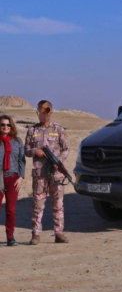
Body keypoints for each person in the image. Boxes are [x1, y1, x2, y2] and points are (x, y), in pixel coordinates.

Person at [25, 100, 70, 245]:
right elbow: (26, 150)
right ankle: (36, 234)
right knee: (38, 205)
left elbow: (66, 149)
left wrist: (59, 161)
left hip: (56, 174)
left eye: (44, 110)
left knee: (58, 204)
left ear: (50, 112)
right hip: (40, 174)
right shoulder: (32, 131)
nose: (41, 113)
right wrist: (35, 151)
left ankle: (59, 233)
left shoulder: (58, 129)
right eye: (39, 110)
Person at [0, 115, 25, 246]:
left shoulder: (17, 141)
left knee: (10, 209)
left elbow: (22, 160)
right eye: (3, 124)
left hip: (13, 178)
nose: (6, 127)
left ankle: (10, 237)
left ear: (12, 126)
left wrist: (21, 177)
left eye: (8, 125)